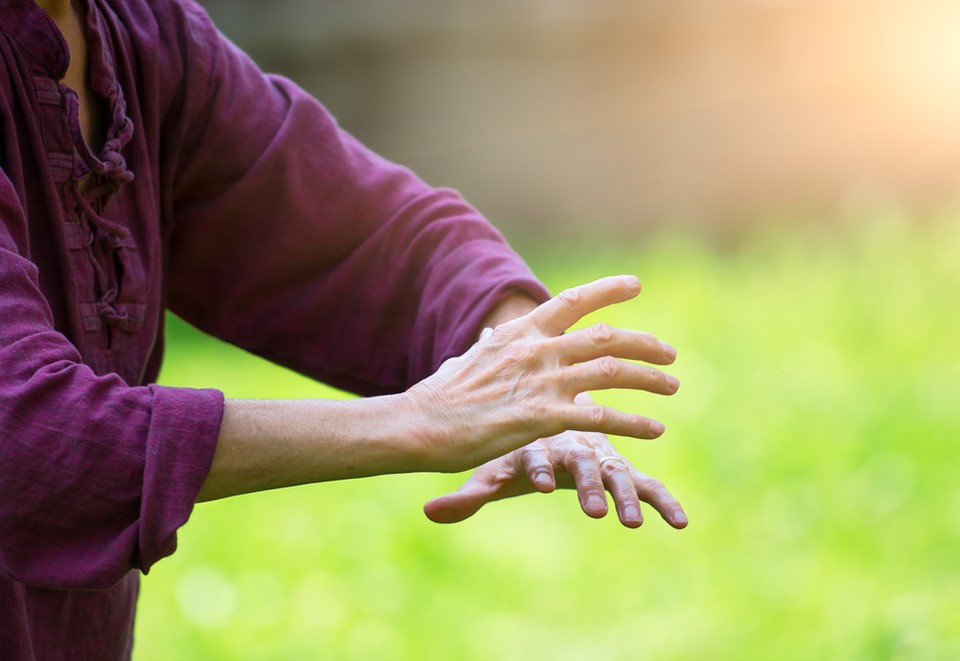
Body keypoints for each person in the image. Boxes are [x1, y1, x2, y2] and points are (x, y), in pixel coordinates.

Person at [0, 0, 687, 657]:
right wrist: (422, 420)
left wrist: (517, 352)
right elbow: (27, 433)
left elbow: (351, 230)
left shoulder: (141, 32)